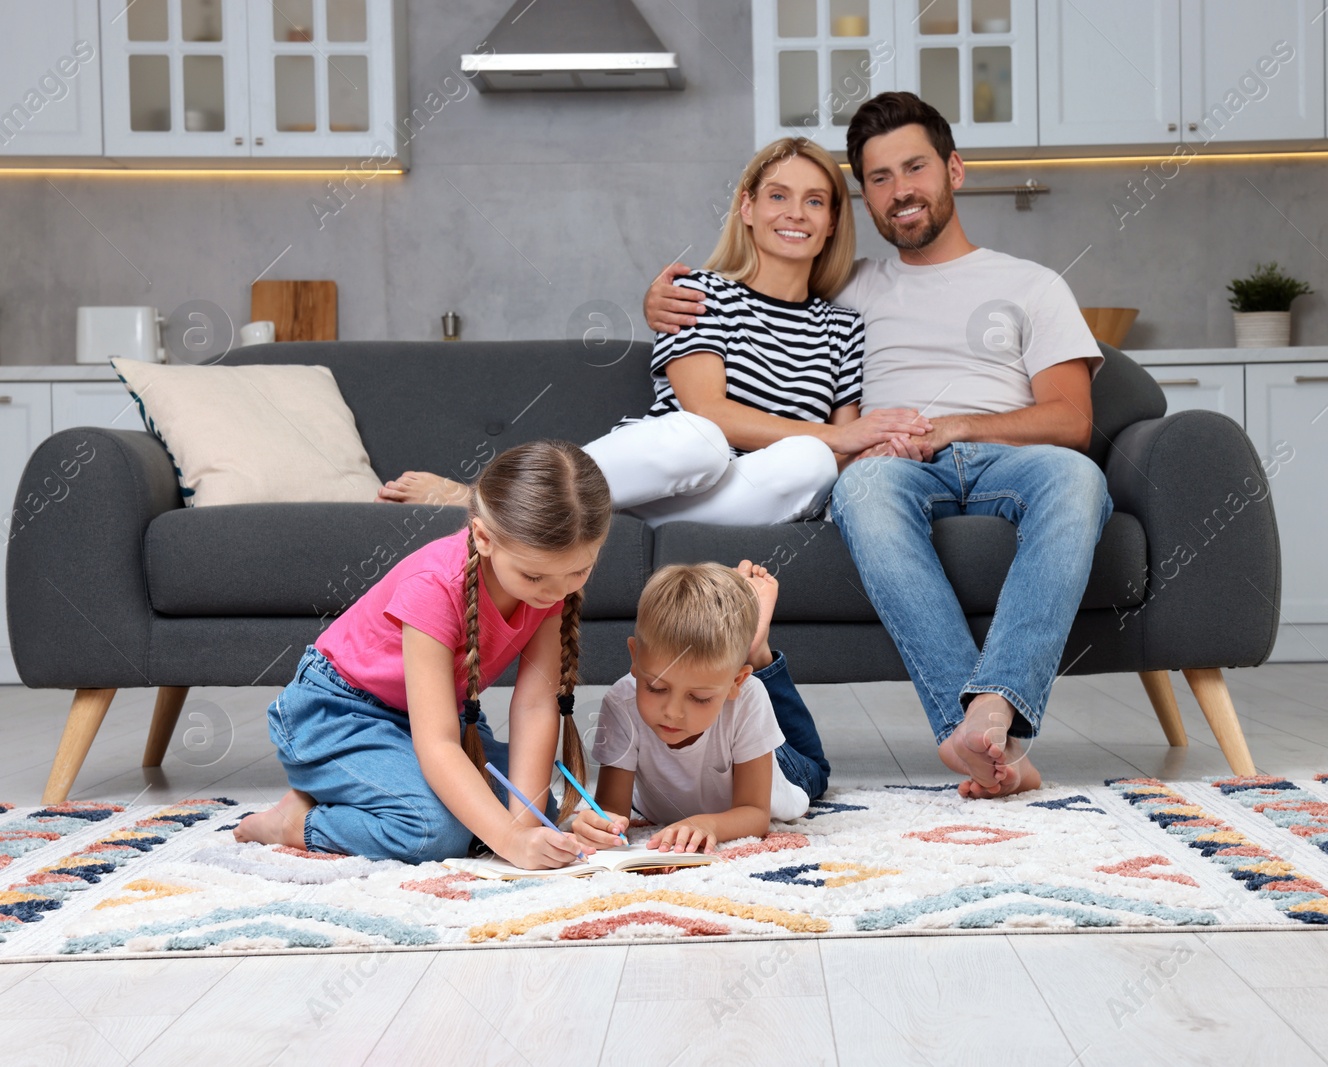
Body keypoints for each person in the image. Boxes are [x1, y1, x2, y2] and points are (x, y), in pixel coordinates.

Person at [645, 92, 1112, 799]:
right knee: (858, 487)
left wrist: (956, 425)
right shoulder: (846, 289)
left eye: (914, 168)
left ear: (953, 170)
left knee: (1079, 479)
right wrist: (664, 300)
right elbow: (757, 291)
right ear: (862, 201)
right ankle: (993, 733)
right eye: (879, 179)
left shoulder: (1032, 284)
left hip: (1009, 459)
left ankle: (989, 712)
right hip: (891, 465)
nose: (901, 191)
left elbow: (1072, 419)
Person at [377, 137, 932, 523]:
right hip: (669, 468)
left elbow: (838, 450)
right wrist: (838, 437)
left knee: (811, 464)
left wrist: (885, 445)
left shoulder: (842, 327)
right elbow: (708, 411)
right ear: (747, 208)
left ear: (832, 221)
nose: (796, 214)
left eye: (815, 202)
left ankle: (597, 517)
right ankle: (493, 501)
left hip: (742, 499)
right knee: (701, 439)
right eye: (778, 196)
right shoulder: (699, 293)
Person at [235, 440, 607, 868]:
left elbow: (536, 705)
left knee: (539, 804)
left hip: (429, 716)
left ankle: (367, 784)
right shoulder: (434, 583)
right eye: (534, 576)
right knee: (434, 831)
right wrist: (510, 841)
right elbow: (438, 743)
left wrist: (524, 829)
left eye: (579, 571)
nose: (554, 593)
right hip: (337, 714)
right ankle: (294, 822)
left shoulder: (551, 587)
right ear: (483, 537)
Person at [570, 561, 830, 855]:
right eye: (656, 688)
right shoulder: (621, 701)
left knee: (816, 772)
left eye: (699, 697)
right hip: (725, 739)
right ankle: (746, 651)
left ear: (736, 682)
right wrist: (600, 825)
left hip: (783, 772)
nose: (673, 711)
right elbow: (611, 808)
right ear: (635, 657)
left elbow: (755, 813)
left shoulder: (746, 697)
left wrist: (709, 825)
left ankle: (759, 656)